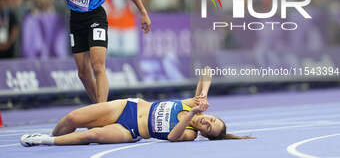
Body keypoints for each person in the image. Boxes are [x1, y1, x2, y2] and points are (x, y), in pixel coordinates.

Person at [20, 68, 254, 146]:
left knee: (92, 135)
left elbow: (172, 137)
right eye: (212, 120)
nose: (208, 123)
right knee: (72, 119)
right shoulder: (195, 104)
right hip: (127, 107)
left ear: (205, 134)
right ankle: (51, 138)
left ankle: (43, 140)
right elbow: (207, 70)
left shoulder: (190, 134)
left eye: (210, 129)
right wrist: (202, 94)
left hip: (131, 130)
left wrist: (192, 112)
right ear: (210, 115)